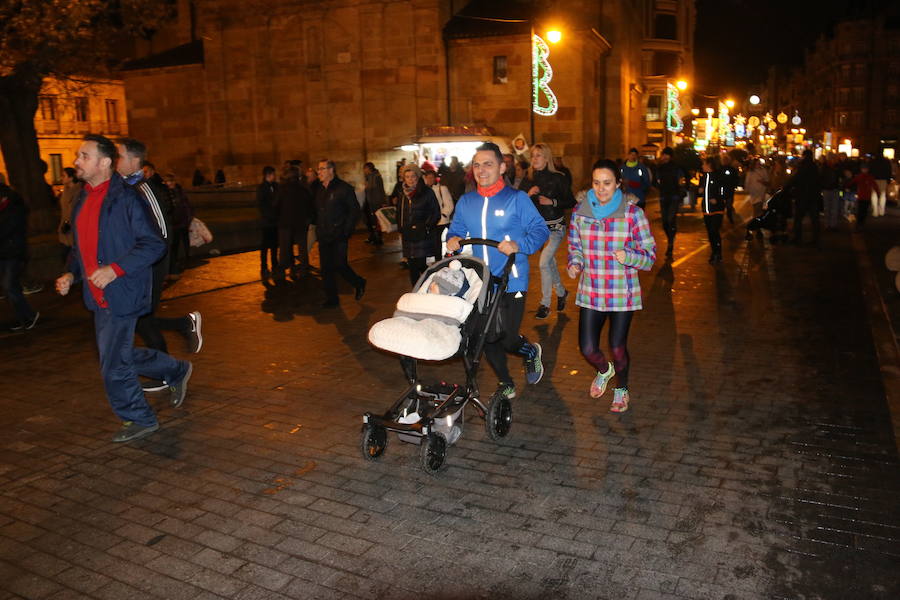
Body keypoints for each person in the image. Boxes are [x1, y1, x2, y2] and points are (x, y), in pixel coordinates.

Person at [56, 134, 192, 443]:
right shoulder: (82, 198)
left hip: (123, 291)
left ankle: (139, 417)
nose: (77, 161)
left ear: (104, 163)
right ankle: (174, 370)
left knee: (113, 364)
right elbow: (82, 248)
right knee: (119, 355)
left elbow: (154, 244)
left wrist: (115, 270)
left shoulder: (127, 198)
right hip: (97, 294)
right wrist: (70, 274)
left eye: (84, 156)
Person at [446, 142, 549, 401]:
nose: (481, 170)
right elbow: (455, 228)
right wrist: (453, 238)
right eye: (477, 164)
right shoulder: (466, 201)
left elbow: (540, 230)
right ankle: (506, 381)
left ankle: (529, 352)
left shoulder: (517, 199)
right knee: (485, 336)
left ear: (502, 167)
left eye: (488, 164)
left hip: (511, 279)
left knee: (507, 337)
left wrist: (518, 245)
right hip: (479, 280)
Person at [567, 159, 656, 413]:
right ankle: (605, 371)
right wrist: (575, 263)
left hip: (621, 293)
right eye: (596, 183)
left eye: (607, 183)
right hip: (592, 291)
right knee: (587, 348)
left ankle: (622, 388)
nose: (601, 189)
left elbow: (649, 256)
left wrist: (629, 256)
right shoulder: (580, 212)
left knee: (617, 347)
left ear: (618, 183)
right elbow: (574, 246)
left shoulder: (633, 214)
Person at [116, 138, 202, 386]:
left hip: (150, 266)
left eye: (119, 155)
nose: (114, 160)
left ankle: (167, 369)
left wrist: (155, 267)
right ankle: (178, 338)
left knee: (140, 319)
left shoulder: (143, 188)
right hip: (135, 266)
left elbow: (163, 232)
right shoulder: (123, 189)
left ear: (134, 160)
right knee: (141, 319)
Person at [517, 143, 574, 319]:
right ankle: (562, 292)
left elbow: (571, 201)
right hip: (538, 230)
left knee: (543, 263)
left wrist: (553, 202)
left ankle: (545, 304)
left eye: (539, 155)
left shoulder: (558, 177)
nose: (534, 159)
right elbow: (518, 205)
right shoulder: (528, 180)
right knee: (549, 263)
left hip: (556, 228)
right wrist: (528, 194)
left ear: (547, 157)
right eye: (533, 155)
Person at [314, 159, 366, 308]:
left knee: (340, 265)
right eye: (319, 169)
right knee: (326, 269)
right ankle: (332, 299)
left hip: (339, 235)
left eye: (322, 169)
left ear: (331, 170)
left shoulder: (343, 188)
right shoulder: (319, 190)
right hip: (324, 235)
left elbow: (354, 211)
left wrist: (346, 231)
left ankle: (359, 282)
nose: (319, 172)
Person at [0, 179, 39, 331]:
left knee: (9, 286)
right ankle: (23, 317)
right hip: (4, 253)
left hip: (14, 253)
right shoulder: (4, 209)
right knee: (11, 287)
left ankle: (29, 315)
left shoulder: (15, 208)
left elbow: (7, 230)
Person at [397, 163, 441, 286]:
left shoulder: (427, 192)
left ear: (418, 177)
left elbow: (435, 212)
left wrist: (426, 226)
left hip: (422, 233)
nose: (410, 179)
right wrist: (400, 227)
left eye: (413, 176)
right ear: (404, 178)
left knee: (420, 264)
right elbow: (399, 211)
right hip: (408, 233)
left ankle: (432, 284)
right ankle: (416, 291)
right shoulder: (402, 193)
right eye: (407, 177)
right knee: (411, 265)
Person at [274, 164, 314, 281]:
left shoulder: (282, 189)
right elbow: (310, 205)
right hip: (300, 223)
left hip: (285, 223)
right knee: (302, 247)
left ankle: (284, 268)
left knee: (285, 247)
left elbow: (276, 205)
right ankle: (303, 269)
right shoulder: (304, 189)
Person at [653, 147, 685, 258]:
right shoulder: (660, 168)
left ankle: (670, 243)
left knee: (670, 219)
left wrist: (680, 194)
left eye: (667, 155)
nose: (665, 157)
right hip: (663, 197)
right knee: (665, 222)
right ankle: (670, 238)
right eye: (663, 155)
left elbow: (681, 181)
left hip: (674, 197)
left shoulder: (676, 168)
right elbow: (656, 181)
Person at [789, 149, 822, 245]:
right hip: (813, 196)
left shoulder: (802, 166)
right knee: (814, 219)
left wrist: (788, 187)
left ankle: (798, 238)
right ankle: (816, 239)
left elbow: (795, 179)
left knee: (798, 218)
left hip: (802, 196)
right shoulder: (815, 166)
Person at [163, 173, 193, 275]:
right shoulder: (166, 193)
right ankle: (176, 262)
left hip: (183, 220)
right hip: (174, 222)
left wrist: (189, 218)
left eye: (171, 181)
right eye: (168, 182)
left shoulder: (179, 191)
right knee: (175, 244)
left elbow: (186, 204)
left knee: (185, 241)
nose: (170, 183)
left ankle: (187, 258)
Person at [698, 157, 726, 264]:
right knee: (710, 232)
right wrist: (699, 191)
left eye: (704, 164)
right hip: (706, 209)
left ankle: (718, 253)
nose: (702, 166)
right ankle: (714, 252)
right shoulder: (703, 177)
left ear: (709, 165)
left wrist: (717, 199)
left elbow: (723, 190)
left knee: (714, 230)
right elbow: (701, 191)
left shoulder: (718, 176)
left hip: (717, 209)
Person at [422, 166, 454, 256]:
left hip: (442, 219)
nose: (429, 179)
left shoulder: (442, 188)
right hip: (432, 219)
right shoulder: (425, 191)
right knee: (435, 241)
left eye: (431, 177)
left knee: (442, 239)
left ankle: (448, 255)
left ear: (435, 178)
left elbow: (449, 203)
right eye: (427, 178)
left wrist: (444, 214)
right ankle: (438, 258)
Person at [256, 166, 279, 280]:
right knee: (265, 246)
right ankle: (264, 266)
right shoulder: (261, 188)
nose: (275, 176)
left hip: (275, 222)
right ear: (268, 175)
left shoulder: (276, 186)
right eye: (273, 174)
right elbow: (261, 205)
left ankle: (275, 264)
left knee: (274, 245)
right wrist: (270, 216)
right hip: (267, 222)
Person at [58, 167, 82, 264]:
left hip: (74, 231)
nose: (61, 178)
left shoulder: (79, 192)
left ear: (71, 178)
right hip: (65, 230)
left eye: (64, 176)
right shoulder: (65, 192)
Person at [743, 159, 769, 239]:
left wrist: (762, 182)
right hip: (754, 193)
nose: (758, 165)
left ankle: (755, 228)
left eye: (759, 163)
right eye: (756, 164)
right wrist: (747, 190)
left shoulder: (763, 171)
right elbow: (747, 183)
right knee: (757, 211)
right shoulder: (750, 172)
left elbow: (767, 181)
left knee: (758, 210)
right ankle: (755, 227)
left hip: (761, 193)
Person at [362, 162, 387, 246]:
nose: (364, 171)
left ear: (369, 169)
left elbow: (381, 190)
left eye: (365, 169)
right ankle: (372, 236)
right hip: (369, 201)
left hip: (376, 202)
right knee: (368, 219)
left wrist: (383, 202)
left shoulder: (376, 177)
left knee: (376, 221)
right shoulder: (368, 178)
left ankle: (378, 238)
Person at [850, 162, 877, 229]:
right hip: (862, 196)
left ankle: (860, 223)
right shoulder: (861, 176)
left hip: (865, 196)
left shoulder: (867, 177)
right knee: (861, 210)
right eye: (863, 169)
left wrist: (877, 192)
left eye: (865, 169)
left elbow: (874, 185)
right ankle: (860, 223)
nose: (864, 170)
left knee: (863, 210)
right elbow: (852, 182)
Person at [819, 154, 842, 231]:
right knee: (829, 208)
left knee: (832, 208)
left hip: (832, 189)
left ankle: (831, 225)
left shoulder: (835, 167)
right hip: (829, 189)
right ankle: (829, 224)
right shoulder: (826, 167)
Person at [719, 154, 740, 224]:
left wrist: (734, 185)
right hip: (723, 190)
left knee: (728, 205)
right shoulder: (720, 169)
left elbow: (735, 178)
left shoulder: (731, 169)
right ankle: (722, 219)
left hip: (729, 189)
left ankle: (729, 217)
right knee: (722, 205)